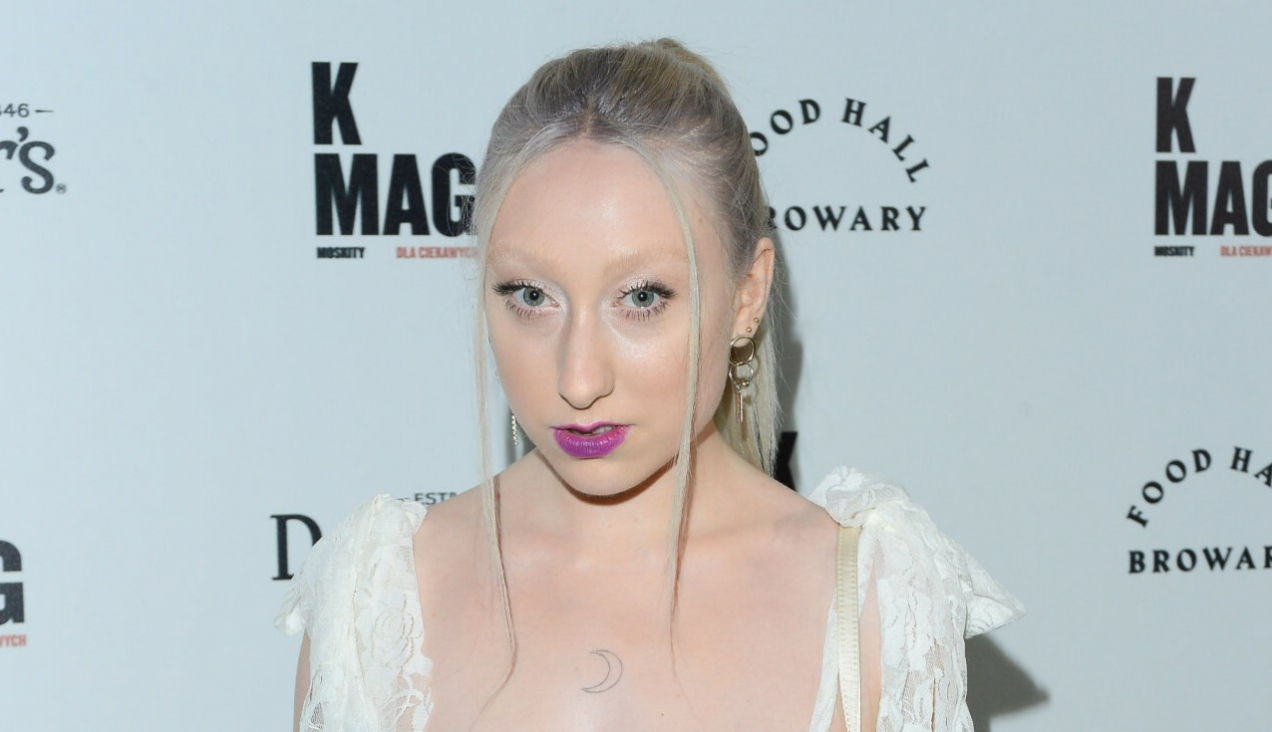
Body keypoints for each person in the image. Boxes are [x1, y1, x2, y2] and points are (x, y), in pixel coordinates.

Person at [277, 39, 1023, 731]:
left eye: (641, 297)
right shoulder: (378, 599)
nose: (578, 380)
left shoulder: (874, 604)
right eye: (531, 296)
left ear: (748, 295)